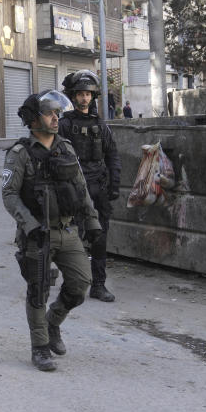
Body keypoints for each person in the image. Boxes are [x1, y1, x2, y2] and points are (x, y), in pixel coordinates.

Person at [2, 90, 102, 372]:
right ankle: (40, 347)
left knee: (81, 285)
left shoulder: (66, 148)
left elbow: (81, 189)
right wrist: (29, 225)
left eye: (57, 113)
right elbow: (9, 195)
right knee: (38, 290)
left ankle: (53, 321)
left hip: (68, 230)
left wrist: (92, 223)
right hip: (38, 234)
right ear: (34, 120)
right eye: (49, 113)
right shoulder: (19, 153)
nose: (56, 118)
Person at [59, 70, 122, 302]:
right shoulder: (64, 125)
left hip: (97, 189)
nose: (84, 98)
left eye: (88, 94)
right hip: (73, 190)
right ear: (73, 97)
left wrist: (114, 184)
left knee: (99, 238)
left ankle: (98, 285)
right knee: (70, 239)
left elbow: (113, 155)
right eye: (80, 94)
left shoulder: (100, 125)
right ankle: (72, 284)